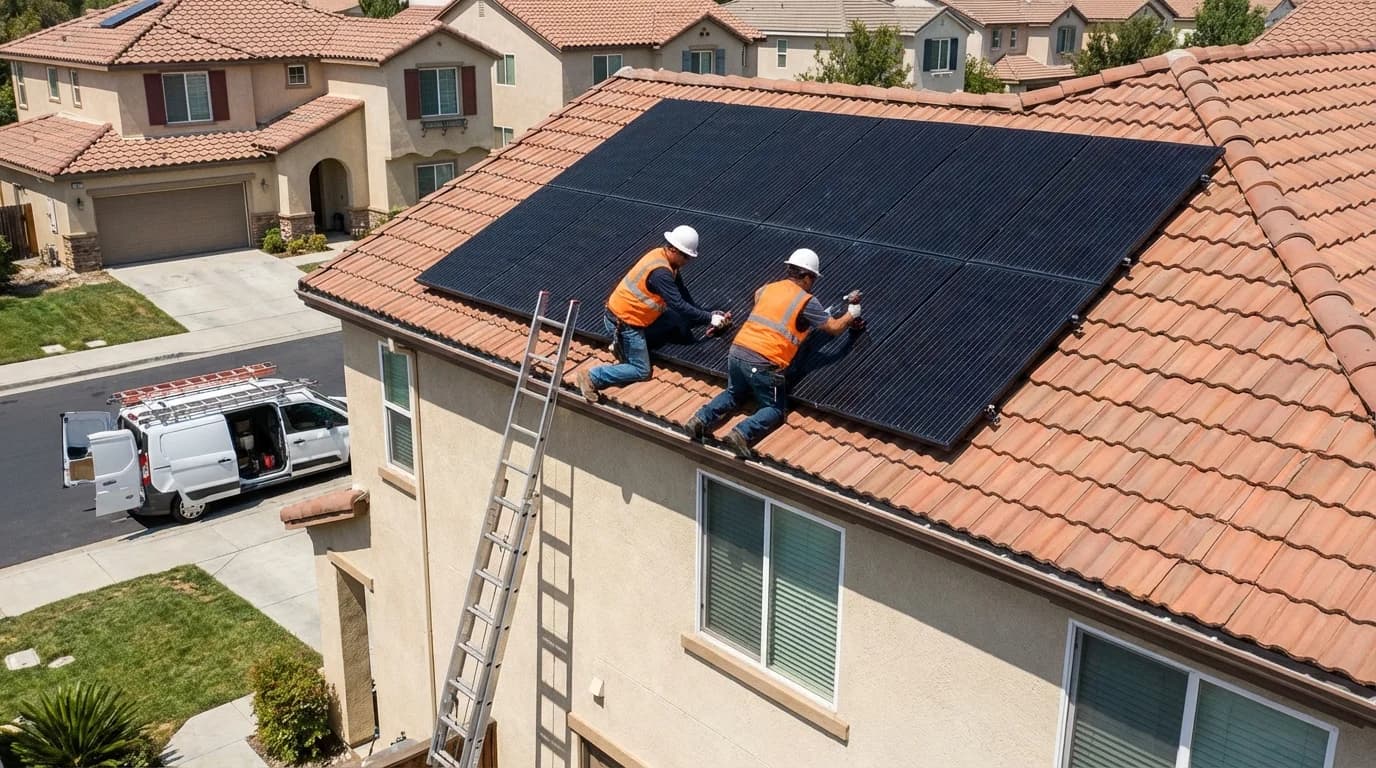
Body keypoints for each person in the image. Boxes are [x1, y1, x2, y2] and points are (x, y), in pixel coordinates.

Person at [687, 248, 861, 458]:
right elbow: (833, 328)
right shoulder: (807, 301)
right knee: (775, 407)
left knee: (734, 393)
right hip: (763, 366)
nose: (813, 283)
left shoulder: (767, 288)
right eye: (813, 278)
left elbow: (767, 304)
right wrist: (851, 314)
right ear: (806, 276)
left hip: (736, 353)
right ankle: (742, 433)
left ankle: (699, 420)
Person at [576, 225, 727, 402]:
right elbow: (678, 304)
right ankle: (592, 377)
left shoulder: (665, 259)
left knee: (677, 323)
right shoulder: (660, 273)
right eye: (685, 256)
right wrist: (709, 318)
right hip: (624, 324)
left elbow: (682, 293)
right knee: (641, 370)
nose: (687, 260)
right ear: (673, 249)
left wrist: (705, 315)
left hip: (633, 318)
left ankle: (623, 347)